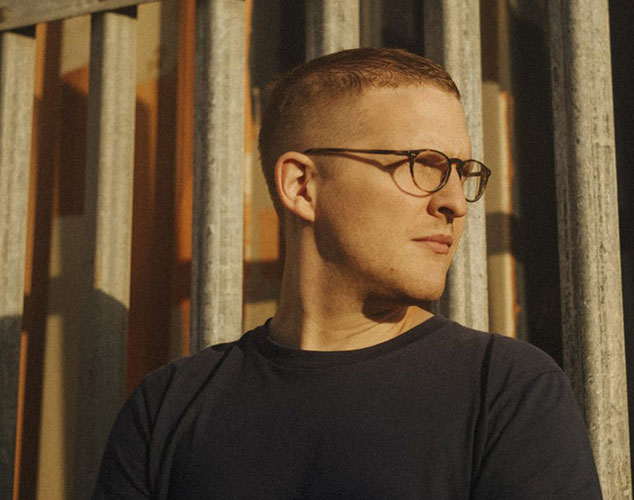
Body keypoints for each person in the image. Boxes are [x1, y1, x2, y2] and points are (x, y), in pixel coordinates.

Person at [93, 47, 602, 499]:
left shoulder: (507, 391)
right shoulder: (167, 408)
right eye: (423, 164)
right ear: (302, 186)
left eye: (462, 172)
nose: (453, 202)